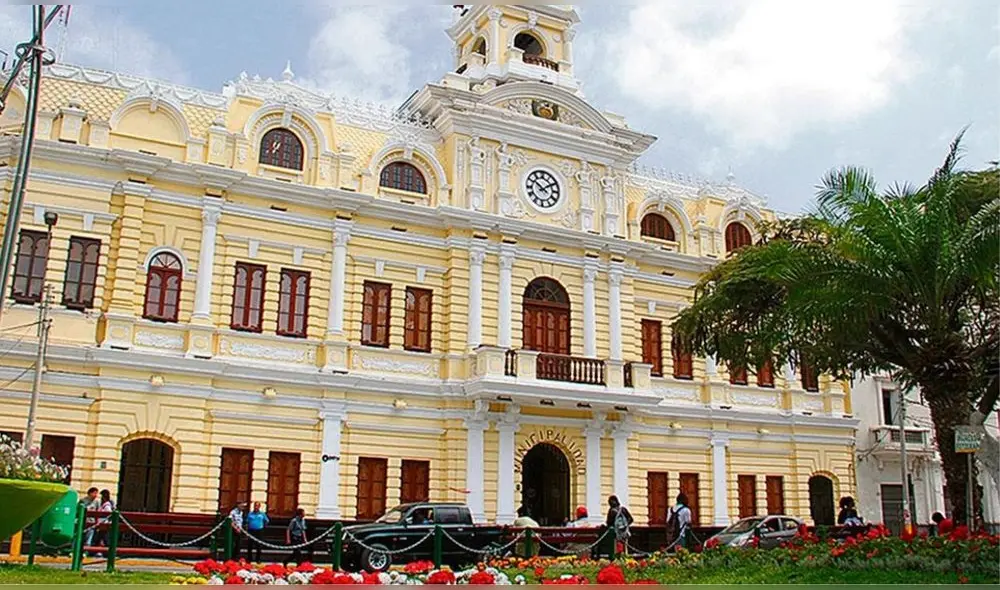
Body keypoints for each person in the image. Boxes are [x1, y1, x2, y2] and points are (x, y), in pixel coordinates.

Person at [81, 487, 100, 552]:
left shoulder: (96, 502)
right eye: (94, 493)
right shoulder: (83, 500)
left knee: (89, 538)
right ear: (90, 493)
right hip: (83, 522)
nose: (96, 495)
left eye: (96, 493)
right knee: (80, 537)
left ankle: (86, 552)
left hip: (91, 523)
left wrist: (97, 523)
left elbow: (98, 513)